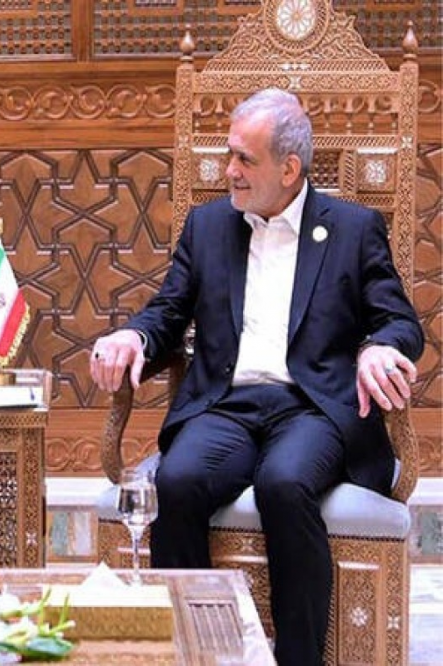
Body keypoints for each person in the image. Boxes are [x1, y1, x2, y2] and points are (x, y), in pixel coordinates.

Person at [90, 88, 423, 665]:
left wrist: (380, 349)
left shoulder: (353, 228)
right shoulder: (208, 225)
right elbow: (168, 311)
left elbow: (399, 321)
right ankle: (197, 653)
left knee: (283, 483)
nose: (229, 170)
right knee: (178, 482)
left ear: (289, 169)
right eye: (229, 154)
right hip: (226, 405)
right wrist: (133, 338)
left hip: (312, 408)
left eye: (244, 158)